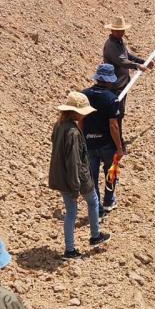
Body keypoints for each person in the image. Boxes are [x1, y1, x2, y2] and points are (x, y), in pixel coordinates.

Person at [48, 89, 112, 258]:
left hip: (61, 176)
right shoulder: (74, 133)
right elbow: (75, 162)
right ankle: (94, 236)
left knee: (70, 212)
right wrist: (76, 188)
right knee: (92, 201)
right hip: (77, 178)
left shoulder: (59, 125)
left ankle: (70, 249)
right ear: (76, 112)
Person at [84, 63, 125, 213]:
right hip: (107, 145)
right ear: (109, 80)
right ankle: (108, 200)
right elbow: (114, 125)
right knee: (112, 171)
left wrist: (83, 140)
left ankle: (97, 210)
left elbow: (80, 120)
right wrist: (119, 148)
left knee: (92, 178)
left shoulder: (85, 95)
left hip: (89, 143)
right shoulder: (112, 99)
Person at [102, 16, 153, 112]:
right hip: (114, 86)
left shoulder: (120, 42)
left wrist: (143, 61)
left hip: (122, 83)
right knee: (115, 113)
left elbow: (127, 55)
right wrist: (137, 66)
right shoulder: (111, 45)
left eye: (122, 31)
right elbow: (122, 61)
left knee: (120, 111)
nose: (121, 33)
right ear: (112, 30)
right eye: (118, 31)